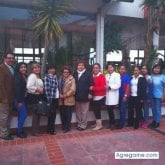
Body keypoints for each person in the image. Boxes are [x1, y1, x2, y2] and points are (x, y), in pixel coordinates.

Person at [74, 61, 93, 131]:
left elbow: (91, 85)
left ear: (84, 66)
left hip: (85, 96)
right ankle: (79, 124)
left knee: (84, 112)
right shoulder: (75, 74)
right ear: (77, 66)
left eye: (82, 65)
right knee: (78, 112)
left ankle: (83, 125)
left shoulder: (88, 74)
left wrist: (90, 93)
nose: (80, 66)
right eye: (79, 65)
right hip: (77, 96)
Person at [0, 52, 15, 140]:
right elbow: (0, 84)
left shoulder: (11, 68)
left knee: (8, 116)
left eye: (12, 58)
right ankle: (3, 134)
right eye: (9, 58)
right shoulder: (2, 68)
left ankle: (7, 132)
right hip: (4, 98)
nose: (11, 60)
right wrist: (4, 97)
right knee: (4, 117)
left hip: (11, 98)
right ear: (5, 58)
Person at [26, 62, 44, 136]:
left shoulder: (38, 76)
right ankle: (34, 132)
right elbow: (29, 86)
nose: (37, 69)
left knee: (38, 114)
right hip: (34, 98)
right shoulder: (32, 76)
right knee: (36, 115)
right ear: (32, 69)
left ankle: (36, 130)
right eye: (35, 68)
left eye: (38, 67)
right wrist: (38, 89)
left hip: (38, 97)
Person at [59, 66, 76, 133]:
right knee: (62, 114)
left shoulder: (72, 79)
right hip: (61, 100)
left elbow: (73, 90)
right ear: (62, 72)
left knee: (68, 115)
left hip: (69, 99)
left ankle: (67, 127)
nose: (65, 73)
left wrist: (65, 95)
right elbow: (59, 88)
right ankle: (63, 126)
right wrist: (60, 94)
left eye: (67, 72)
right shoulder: (60, 78)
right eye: (64, 72)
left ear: (69, 73)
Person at [148, 64, 165, 128]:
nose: (156, 69)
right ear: (153, 69)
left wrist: (163, 95)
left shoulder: (163, 77)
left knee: (158, 109)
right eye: (155, 68)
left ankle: (157, 122)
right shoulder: (151, 76)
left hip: (159, 96)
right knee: (153, 109)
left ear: (160, 70)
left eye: (158, 68)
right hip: (152, 95)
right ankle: (154, 121)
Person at [90, 63, 106, 130]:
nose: (95, 69)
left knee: (97, 111)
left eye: (97, 68)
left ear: (99, 69)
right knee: (95, 110)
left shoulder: (101, 76)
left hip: (100, 96)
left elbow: (103, 87)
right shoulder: (92, 76)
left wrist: (93, 88)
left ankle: (99, 125)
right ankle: (97, 123)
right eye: (94, 68)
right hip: (94, 97)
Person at [44, 65, 59, 135]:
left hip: (55, 98)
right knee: (52, 115)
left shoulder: (55, 77)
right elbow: (47, 90)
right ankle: (51, 130)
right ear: (48, 70)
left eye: (53, 69)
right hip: (51, 99)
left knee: (53, 115)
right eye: (51, 69)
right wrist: (49, 100)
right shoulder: (47, 77)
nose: (52, 70)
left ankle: (49, 129)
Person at [14, 62, 27, 138]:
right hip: (19, 99)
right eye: (21, 67)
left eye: (24, 67)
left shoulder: (24, 75)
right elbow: (17, 89)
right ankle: (19, 132)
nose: (23, 68)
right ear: (18, 69)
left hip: (23, 98)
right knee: (23, 115)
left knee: (20, 115)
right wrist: (19, 101)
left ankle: (20, 130)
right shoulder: (17, 76)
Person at [105, 63, 121, 130]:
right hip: (107, 95)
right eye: (108, 67)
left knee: (111, 110)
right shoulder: (106, 75)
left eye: (111, 67)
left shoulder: (117, 75)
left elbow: (118, 85)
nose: (110, 69)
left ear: (113, 68)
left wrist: (110, 87)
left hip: (113, 95)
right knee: (109, 110)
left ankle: (113, 124)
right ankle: (111, 123)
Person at [118, 65, 131, 129]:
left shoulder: (126, 77)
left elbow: (128, 87)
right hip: (119, 96)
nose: (122, 70)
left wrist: (125, 96)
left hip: (124, 96)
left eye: (123, 69)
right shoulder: (119, 77)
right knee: (120, 110)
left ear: (125, 70)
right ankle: (120, 122)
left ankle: (121, 124)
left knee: (122, 110)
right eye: (120, 69)